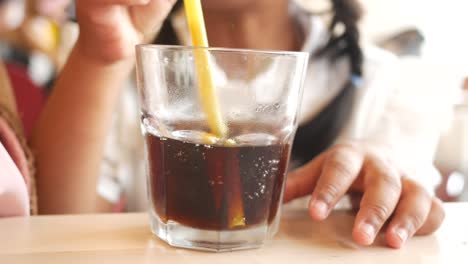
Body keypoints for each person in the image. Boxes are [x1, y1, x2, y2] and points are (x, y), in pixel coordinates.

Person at [32, 0, 448, 249]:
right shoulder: (135, 63)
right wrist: (99, 55)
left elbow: (415, 212)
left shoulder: (385, 85)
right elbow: (54, 227)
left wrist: (388, 179)